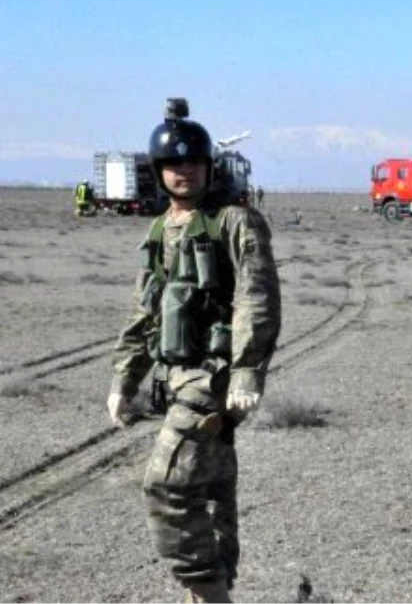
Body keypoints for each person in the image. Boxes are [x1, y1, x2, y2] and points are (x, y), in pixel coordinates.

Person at [108, 98, 281, 604]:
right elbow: (146, 310)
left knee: (166, 487)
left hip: (214, 378)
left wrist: (247, 373)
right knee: (209, 493)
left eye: (191, 162)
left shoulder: (234, 222)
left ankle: (209, 594)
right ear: (158, 171)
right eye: (171, 164)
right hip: (175, 376)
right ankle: (210, 591)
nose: (182, 171)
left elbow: (257, 297)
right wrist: (125, 378)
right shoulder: (161, 228)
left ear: (209, 165)